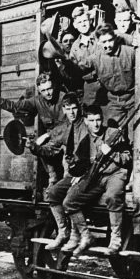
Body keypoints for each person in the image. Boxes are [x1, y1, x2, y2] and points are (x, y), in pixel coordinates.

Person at [49, 105, 131, 256]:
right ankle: (85, 235)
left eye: (98, 120)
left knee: (113, 197)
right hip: (96, 177)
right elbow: (82, 163)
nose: (96, 124)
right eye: (92, 120)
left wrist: (112, 153)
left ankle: (116, 240)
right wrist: (77, 173)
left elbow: (127, 158)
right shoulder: (86, 140)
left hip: (115, 174)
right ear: (86, 121)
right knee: (69, 201)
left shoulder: (113, 133)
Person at [0, 72, 66, 185]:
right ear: (38, 90)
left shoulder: (63, 98)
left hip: (66, 137)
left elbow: (68, 125)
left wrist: (48, 135)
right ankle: (53, 177)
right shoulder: (37, 101)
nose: (47, 93)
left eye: (49, 88)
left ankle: (67, 180)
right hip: (53, 139)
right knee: (37, 147)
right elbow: (16, 107)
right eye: (43, 91)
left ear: (54, 86)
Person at [31, 92, 88, 250]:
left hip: (88, 174)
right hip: (73, 174)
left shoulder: (87, 126)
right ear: (63, 110)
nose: (72, 112)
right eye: (68, 109)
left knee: (71, 197)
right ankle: (63, 232)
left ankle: (76, 236)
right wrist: (35, 148)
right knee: (52, 193)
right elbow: (52, 149)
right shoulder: (65, 128)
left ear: (79, 108)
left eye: (74, 108)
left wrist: (84, 173)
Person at [67, 23, 135, 127]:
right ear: (98, 42)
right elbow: (79, 67)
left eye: (110, 40)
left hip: (132, 99)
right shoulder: (96, 57)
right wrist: (66, 61)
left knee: (135, 133)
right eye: (103, 42)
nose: (107, 45)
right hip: (113, 102)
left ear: (115, 39)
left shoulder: (130, 53)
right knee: (113, 133)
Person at [69, 6, 105, 107]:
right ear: (75, 25)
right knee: (91, 114)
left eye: (85, 20)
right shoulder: (75, 47)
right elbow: (75, 71)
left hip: (106, 82)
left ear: (90, 20)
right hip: (90, 87)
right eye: (79, 22)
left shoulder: (101, 36)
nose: (83, 24)